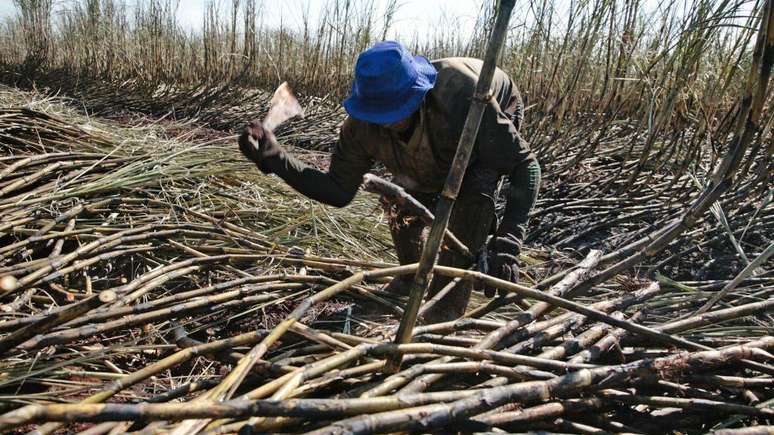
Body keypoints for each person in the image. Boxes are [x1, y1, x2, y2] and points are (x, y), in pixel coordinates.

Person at [239, 41, 540, 323]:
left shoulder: (464, 98)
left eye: (396, 111)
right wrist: (275, 158)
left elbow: (525, 166)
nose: (387, 121)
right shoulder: (360, 127)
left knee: (472, 198)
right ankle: (410, 278)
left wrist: (509, 240)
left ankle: (445, 307)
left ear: (418, 92)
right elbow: (338, 190)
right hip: (436, 145)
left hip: (494, 103)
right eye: (379, 114)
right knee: (401, 198)